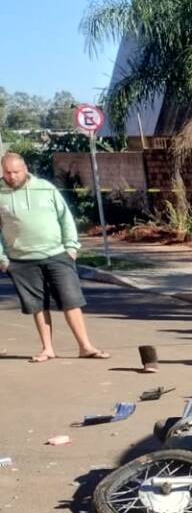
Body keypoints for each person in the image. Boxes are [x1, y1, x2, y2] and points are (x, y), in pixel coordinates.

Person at [0, 151, 107, 361]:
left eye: (15, 172)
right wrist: (2, 259)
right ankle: (47, 348)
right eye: (7, 172)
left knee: (71, 300)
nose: (11, 176)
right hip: (21, 259)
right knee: (37, 305)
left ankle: (85, 346)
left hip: (57, 254)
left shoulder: (45, 188)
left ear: (25, 169)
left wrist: (71, 247)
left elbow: (65, 217)